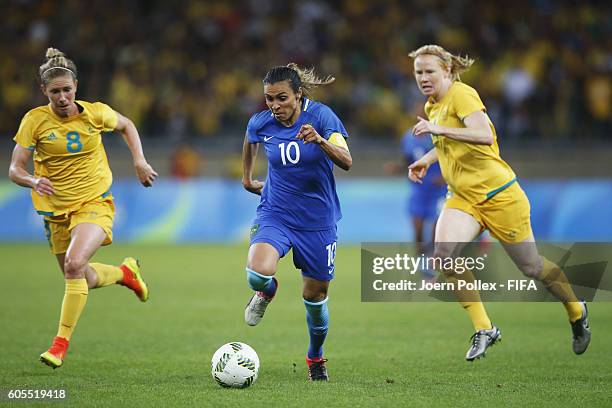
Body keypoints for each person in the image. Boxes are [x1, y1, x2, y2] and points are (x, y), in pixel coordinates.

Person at [406, 45, 590, 361]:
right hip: (464, 198)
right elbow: (450, 143)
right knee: (444, 256)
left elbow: (482, 135)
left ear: (448, 71)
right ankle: (485, 328)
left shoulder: (462, 95)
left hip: (500, 196)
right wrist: (426, 157)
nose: (423, 78)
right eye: (418, 72)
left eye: (429, 71)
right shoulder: (432, 105)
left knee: (532, 267)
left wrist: (434, 128)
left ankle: (576, 309)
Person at [8, 48, 158, 369]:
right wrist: (33, 181)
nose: (62, 97)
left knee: (75, 264)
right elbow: (14, 170)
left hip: (94, 202)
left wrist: (139, 160)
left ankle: (59, 345)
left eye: (66, 90)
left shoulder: (95, 113)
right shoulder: (34, 121)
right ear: (44, 92)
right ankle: (124, 273)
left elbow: (127, 125)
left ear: (76, 86)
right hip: (55, 212)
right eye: (54, 92)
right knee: (81, 276)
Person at [241, 63, 352, 381]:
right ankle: (266, 291)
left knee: (314, 297)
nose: (274, 106)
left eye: (281, 98)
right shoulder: (262, 122)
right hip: (275, 212)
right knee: (256, 273)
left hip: (318, 222)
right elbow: (250, 139)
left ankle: (315, 357)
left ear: (298, 95)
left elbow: (346, 161)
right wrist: (248, 179)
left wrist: (319, 140)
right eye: (269, 99)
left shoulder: (322, 117)